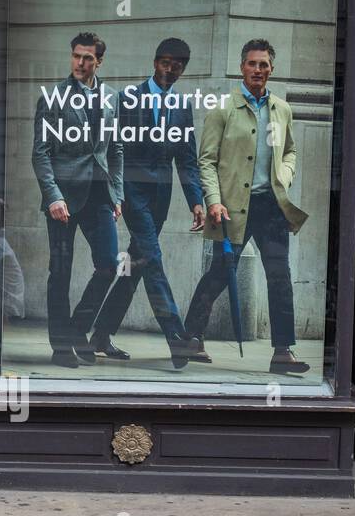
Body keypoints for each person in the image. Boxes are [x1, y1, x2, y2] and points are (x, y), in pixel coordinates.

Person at [183, 39, 310, 374]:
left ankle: (282, 351)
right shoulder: (223, 109)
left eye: (264, 64)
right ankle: (191, 337)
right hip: (232, 207)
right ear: (242, 67)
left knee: (280, 276)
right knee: (221, 273)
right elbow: (206, 161)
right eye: (253, 63)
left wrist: (286, 173)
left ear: (271, 69)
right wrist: (213, 200)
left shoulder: (282, 110)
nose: (258, 70)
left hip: (272, 207)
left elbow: (291, 152)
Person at [88, 37, 205, 369]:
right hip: (132, 193)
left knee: (134, 268)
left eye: (178, 65)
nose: (170, 69)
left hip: (161, 200)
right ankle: (177, 337)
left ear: (183, 70)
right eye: (165, 62)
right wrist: (115, 194)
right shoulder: (129, 99)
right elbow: (112, 149)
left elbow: (187, 160)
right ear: (155, 62)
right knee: (152, 259)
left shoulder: (182, 108)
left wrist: (195, 201)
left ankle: (100, 335)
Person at [31, 31, 124, 368]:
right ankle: (60, 347)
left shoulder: (112, 97)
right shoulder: (53, 96)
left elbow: (116, 149)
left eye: (88, 58)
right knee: (61, 272)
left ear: (99, 60)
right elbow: (40, 153)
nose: (80, 63)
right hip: (64, 200)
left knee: (109, 265)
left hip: (100, 194)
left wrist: (118, 194)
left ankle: (76, 329)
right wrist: (53, 196)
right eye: (76, 56)